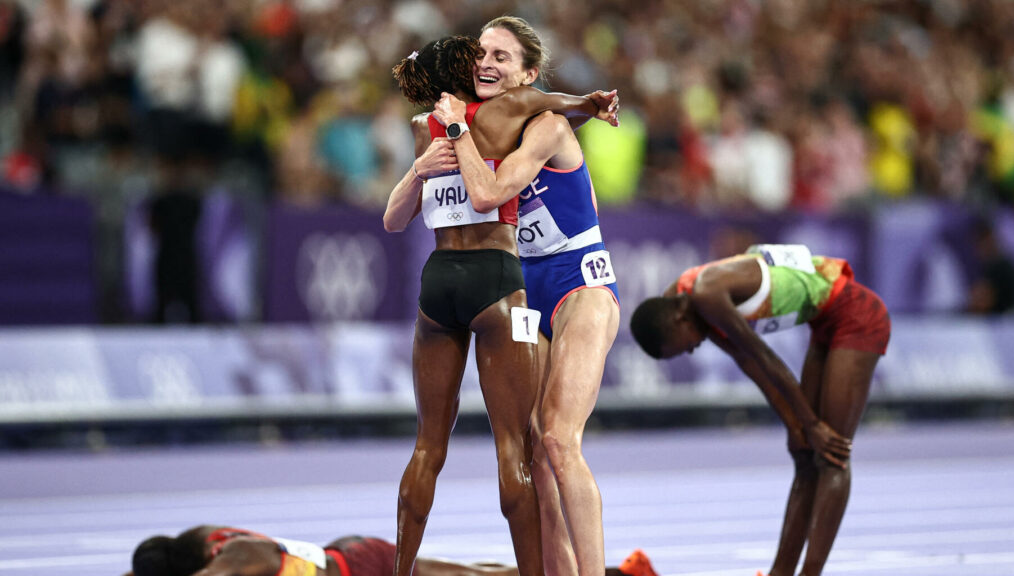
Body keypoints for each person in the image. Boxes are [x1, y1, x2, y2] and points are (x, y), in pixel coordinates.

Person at [383, 34, 618, 576]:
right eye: (480, 56)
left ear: (529, 74)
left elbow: (485, 184)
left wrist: (585, 105)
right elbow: (531, 115)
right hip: (513, 285)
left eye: (499, 57)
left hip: (573, 279)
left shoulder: (516, 124)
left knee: (556, 439)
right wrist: (585, 102)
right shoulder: (483, 119)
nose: (486, 64)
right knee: (530, 450)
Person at [629, 244, 890, 576]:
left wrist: (810, 424)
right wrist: (796, 426)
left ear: (678, 319)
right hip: (824, 323)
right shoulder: (680, 297)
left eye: (680, 349)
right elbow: (748, 362)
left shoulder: (707, 294)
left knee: (832, 453)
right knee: (804, 454)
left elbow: (764, 358)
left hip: (858, 315)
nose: (691, 351)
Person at [124, 524, 660, 576]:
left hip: (363, 566)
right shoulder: (209, 541)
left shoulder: (234, 560)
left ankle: (622, 572)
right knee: (487, 571)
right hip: (346, 554)